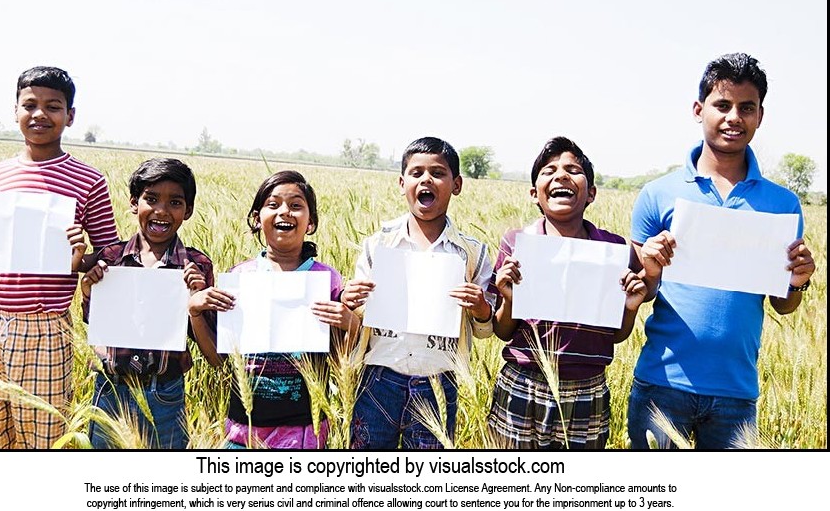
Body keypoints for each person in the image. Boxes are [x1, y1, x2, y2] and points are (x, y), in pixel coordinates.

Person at [627, 52, 816, 450]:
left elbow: (783, 305)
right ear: (699, 110)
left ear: (760, 116)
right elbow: (638, 293)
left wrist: (798, 282)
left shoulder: (783, 205)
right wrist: (650, 269)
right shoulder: (658, 194)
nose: (734, 117)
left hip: (736, 392)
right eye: (722, 105)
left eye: (746, 108)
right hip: (663, 384)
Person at [0, 65, 119, 449]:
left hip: (45, 328)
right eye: (30, 105)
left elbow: (110, 255)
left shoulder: (89, 180)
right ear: (15, 111)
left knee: (43, 441)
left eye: (53, 106)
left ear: (70, 116)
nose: (40, 114)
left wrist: (80, 260)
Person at [486, 136, 655, 450]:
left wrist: (630, 307)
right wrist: (509, 298)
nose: (561, 175)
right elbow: (502, 329)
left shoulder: (613, 249)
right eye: (549, 170)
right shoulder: (517, 242)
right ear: (534, 193)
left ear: (591, 193)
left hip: (586, 389)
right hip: (524, 383)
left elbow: (615, 335)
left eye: (572, 170)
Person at [343, 136, 495, 450]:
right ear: (402, 183)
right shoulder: (378, 245)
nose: (426, 179)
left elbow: (484, 330)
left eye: (438, 173)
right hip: (379, 377)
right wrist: (351, 301)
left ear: (456, 184)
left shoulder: (472, 253)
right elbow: (357, 314)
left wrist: (480, 307)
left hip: (438, 381)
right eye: (416, 173)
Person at [189, 170, 358, 449]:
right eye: (273, 204)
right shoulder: (240, 276)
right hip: (243, 430)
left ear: (311, 222)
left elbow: (340, 361)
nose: (285, 212)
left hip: (305, 430)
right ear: (257, 219)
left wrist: (351, 324)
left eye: (295, 205)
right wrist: (195, 313)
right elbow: (220, 360)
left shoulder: (327, 280)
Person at [79, 158, 213, 449]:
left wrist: (197, 303)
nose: (161, 211)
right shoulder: (110, 258)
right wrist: (89, 292)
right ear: (133, 202)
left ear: (188, 210)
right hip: (110, 389)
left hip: (165, 393)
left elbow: (205, 342)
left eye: (175, 202)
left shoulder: (197, 265)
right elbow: (96, 325)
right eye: (151, 199)